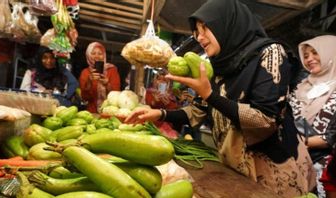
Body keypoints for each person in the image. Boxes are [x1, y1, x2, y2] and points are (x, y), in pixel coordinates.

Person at [125, 0, 316, 197]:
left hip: (274, 173)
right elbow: (198, 111)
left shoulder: (269, 53)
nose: (199, 37)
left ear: (226, 24)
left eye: (205, 28)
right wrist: (158, 113)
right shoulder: (218, 67)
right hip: (236, 170)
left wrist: (209, 95)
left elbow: (265, 120)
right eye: (196, 31)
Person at [289, 35, 336, 197]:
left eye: (315, 53)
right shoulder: (301, 87)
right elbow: (290, 118)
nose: (310, 59)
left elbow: (332, 136)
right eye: (306, 55)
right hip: (294, 160)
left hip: (324, 167)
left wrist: (301, 141)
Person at [79, 42, 121, 113]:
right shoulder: (85, 73)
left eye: (100, 53)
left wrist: (107, 84)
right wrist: (89, 82)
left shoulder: (112, 70)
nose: (97, 56)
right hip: (92, 112)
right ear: (88, 55)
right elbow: (84, 98)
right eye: (93, 53)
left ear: (104, 55)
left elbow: (117, 94)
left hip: (109, 111)